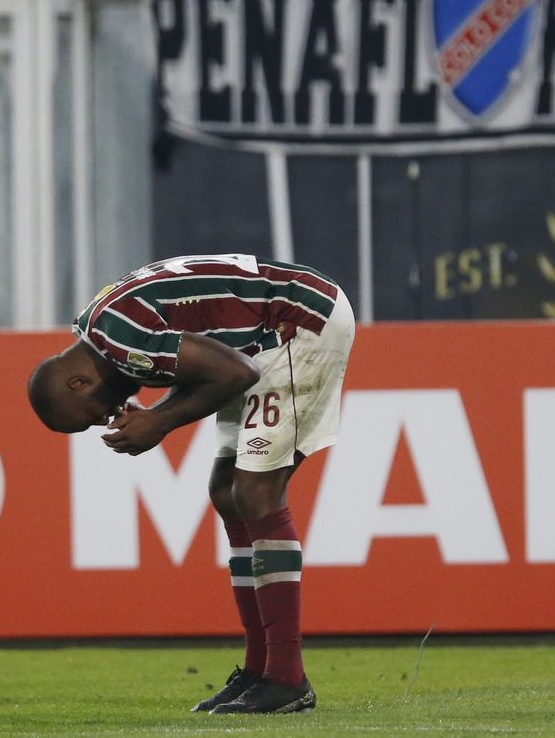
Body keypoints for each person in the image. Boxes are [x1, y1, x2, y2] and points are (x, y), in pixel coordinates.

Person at [28, 254, 354, 715]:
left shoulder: (119, 341)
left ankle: (287, 677)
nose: (105, 418)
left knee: (255, 492)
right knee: (228, 493)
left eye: (90, 418)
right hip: (268, 330)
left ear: (78, 382)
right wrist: (158, 417)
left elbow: (236, 373)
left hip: (297, 321)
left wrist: (160, 421)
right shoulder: (100, 330)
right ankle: (259, 670)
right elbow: (208, 364)